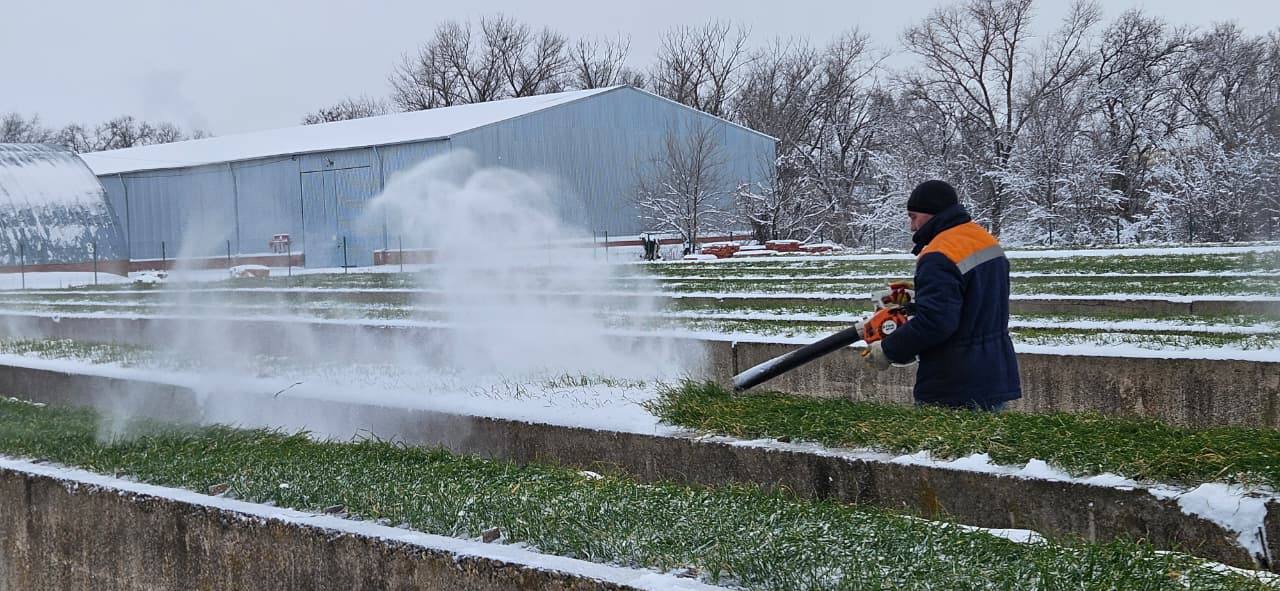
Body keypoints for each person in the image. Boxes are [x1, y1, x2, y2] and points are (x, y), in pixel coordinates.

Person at [863, 180, 1021, 411]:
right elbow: (974, 300)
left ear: (931, 214)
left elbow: (935, 322)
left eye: (913, 216)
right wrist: (920, 298)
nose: (912, 226)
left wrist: (888, 350)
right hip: (994, 373)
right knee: (984, 446)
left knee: (941, 447)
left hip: (953, 383)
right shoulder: (985, 241)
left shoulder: (938, 255)